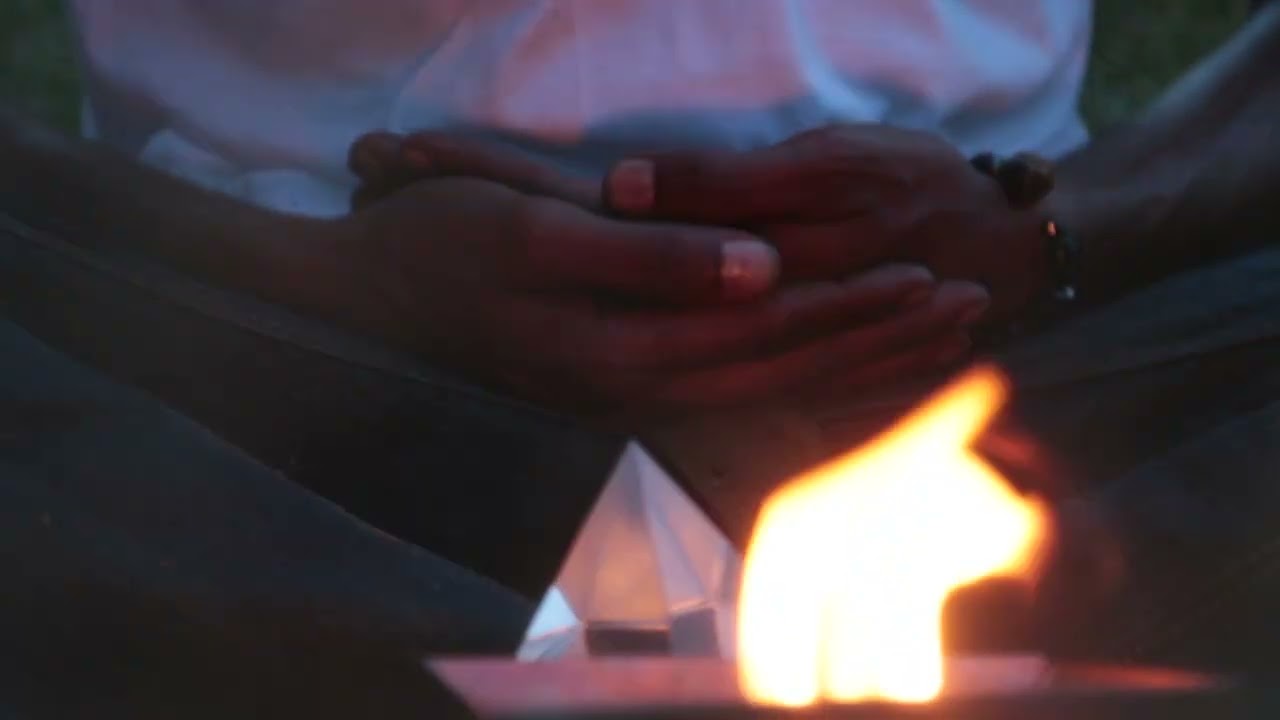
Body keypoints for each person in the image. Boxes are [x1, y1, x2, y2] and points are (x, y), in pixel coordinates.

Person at [1, 0, 1279, 716]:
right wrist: (308, 270)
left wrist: (1056, 223)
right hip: (281, 391)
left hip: (1011, 375)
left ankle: (450, 673)